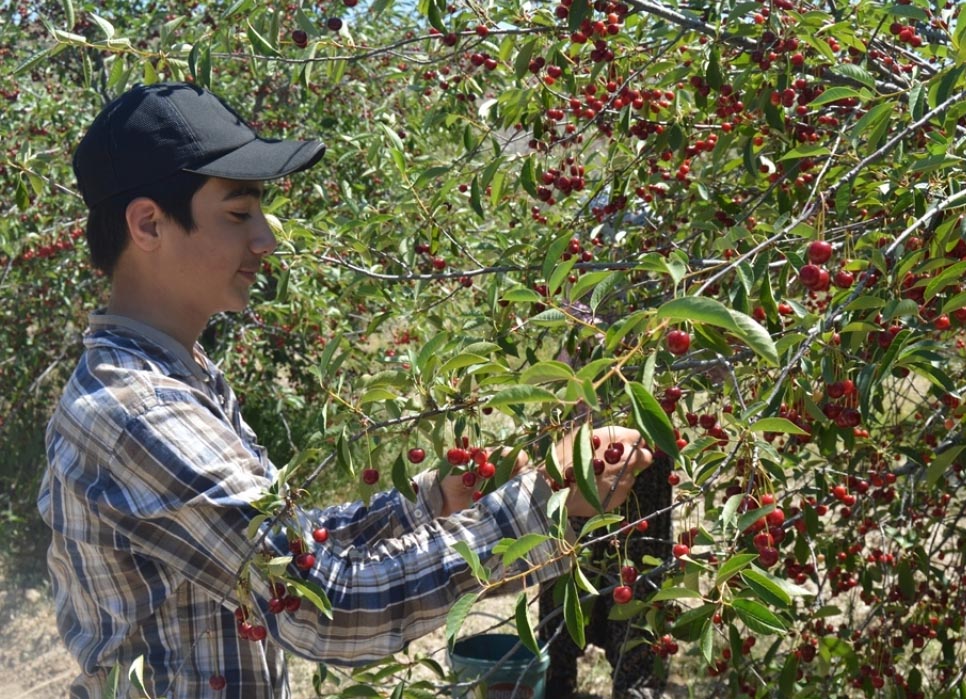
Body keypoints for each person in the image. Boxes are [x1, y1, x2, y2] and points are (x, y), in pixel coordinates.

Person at [38, 82, 652, 699]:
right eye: (237, 213)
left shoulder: (175, 376)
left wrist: (432, 500)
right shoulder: (140, 411)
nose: (265, 240)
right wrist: (534, 503)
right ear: (148, 223)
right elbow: (324, 605)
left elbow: (280, 545)